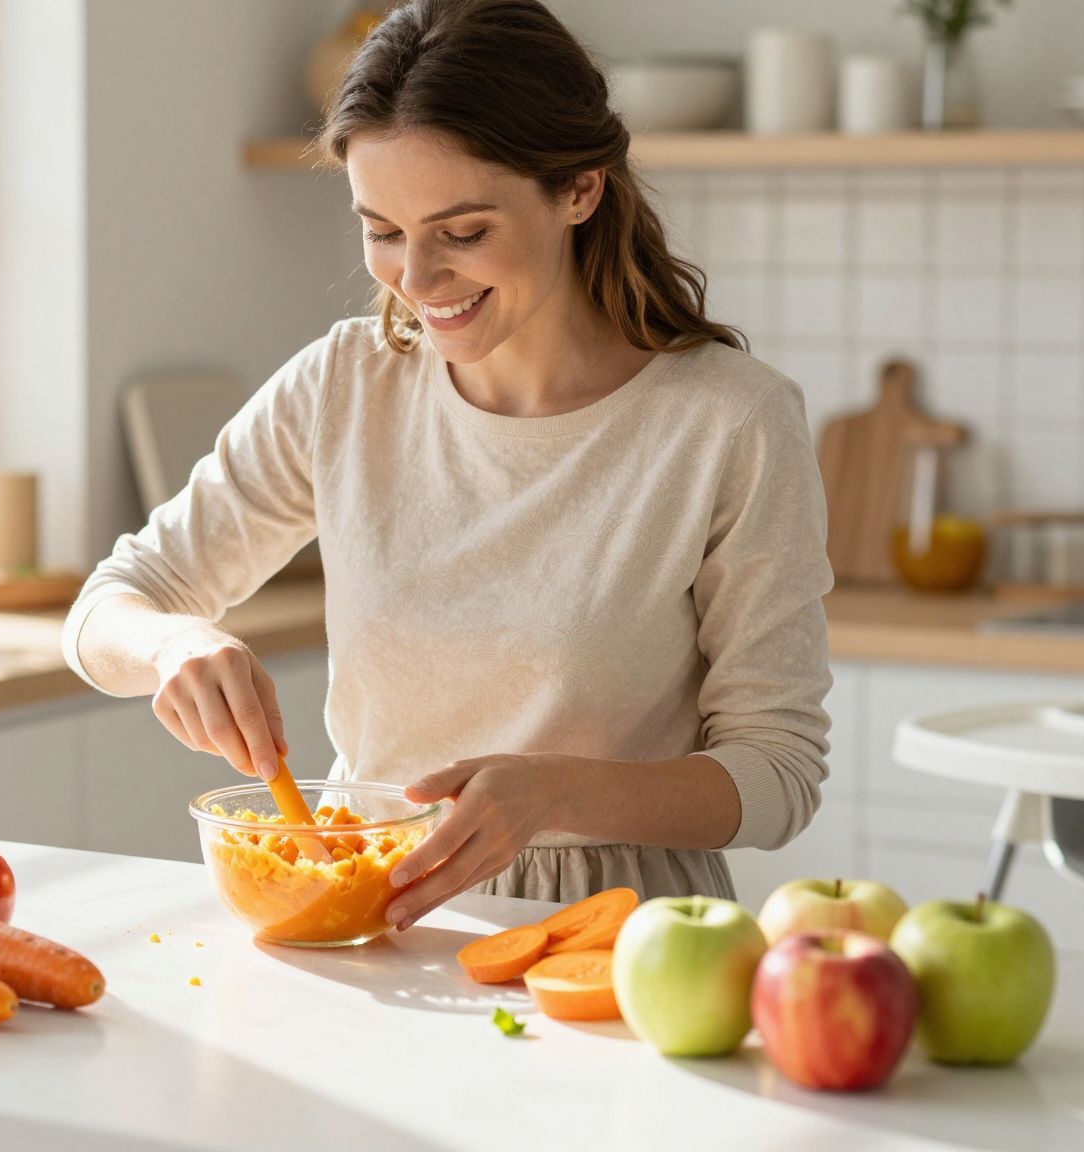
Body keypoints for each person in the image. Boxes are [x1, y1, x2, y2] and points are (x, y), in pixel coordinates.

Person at [63, 0, 831, 931]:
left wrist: (554, 796)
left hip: (616, 944)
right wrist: (174, 644)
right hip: (359, 919)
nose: (417, 281)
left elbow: (777, 775)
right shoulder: (344, 386)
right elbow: (112, 605)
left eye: (463, 232)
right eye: (382, 230)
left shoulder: (729, 421)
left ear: (580, 189)